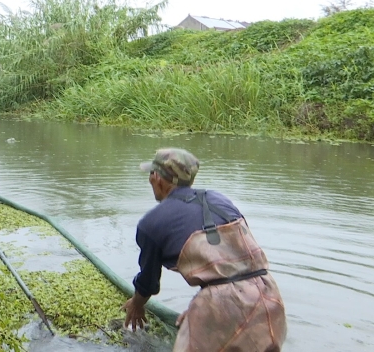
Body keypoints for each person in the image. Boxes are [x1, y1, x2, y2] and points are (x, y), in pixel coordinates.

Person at [122, 148, 287, 351]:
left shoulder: (151, 223)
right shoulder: (220, 201)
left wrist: (136, 305)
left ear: (157, 177)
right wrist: (199, 308)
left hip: (221, 305)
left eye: (150, 174)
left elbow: (148, 283)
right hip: (270, 299)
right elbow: (233, 267)